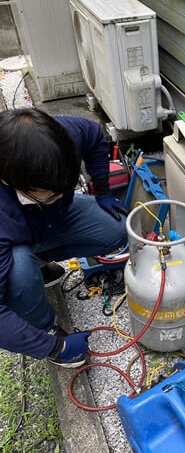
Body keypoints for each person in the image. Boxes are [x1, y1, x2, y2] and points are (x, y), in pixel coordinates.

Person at [0, 108, 129, 367]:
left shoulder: (56, 137)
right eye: (50, 193)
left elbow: (94, 134)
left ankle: (37, 261)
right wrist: (54, 346)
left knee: (117, 228)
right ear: (7, 180)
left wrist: (102, 192)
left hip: (45, 221)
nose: (61, 195)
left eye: (66, 188)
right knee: (19, 268)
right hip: (12, 240)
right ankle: (44, 325)